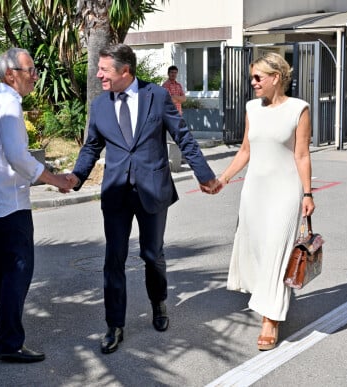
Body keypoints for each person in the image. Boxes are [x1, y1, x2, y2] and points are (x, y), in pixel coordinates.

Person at [65, 44, 219, 354]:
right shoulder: (100, 105)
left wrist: (204, 174)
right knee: (114, 259)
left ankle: (159, 304)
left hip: (152, 188)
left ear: (125, 71)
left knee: (152, 254)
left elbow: (183, 137)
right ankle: (114, 325)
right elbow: (91, 147)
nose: (98, 74)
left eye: (104, 70)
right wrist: (76, 177)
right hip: (116, 193)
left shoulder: (157, 96)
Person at [0, 47, 72, 363]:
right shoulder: (8, 105)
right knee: (16, 271)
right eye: (30, 70)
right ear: (10, 74)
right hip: (8, 204)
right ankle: (10, 343)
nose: (35, 75)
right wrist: (56, 180)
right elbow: (17, 156)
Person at [214, 52, 315, 351]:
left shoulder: (299, 109)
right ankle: (268, 299)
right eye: (252, 78)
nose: (253, 83)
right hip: (254, 192)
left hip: (285, 191)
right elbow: (245, 150)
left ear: (276, 78)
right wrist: (223, 179)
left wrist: (308, 193)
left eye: (258, 77)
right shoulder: (251, 108)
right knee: (259, 249)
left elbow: (302, 154)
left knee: (276, 251)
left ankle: (270, 320)